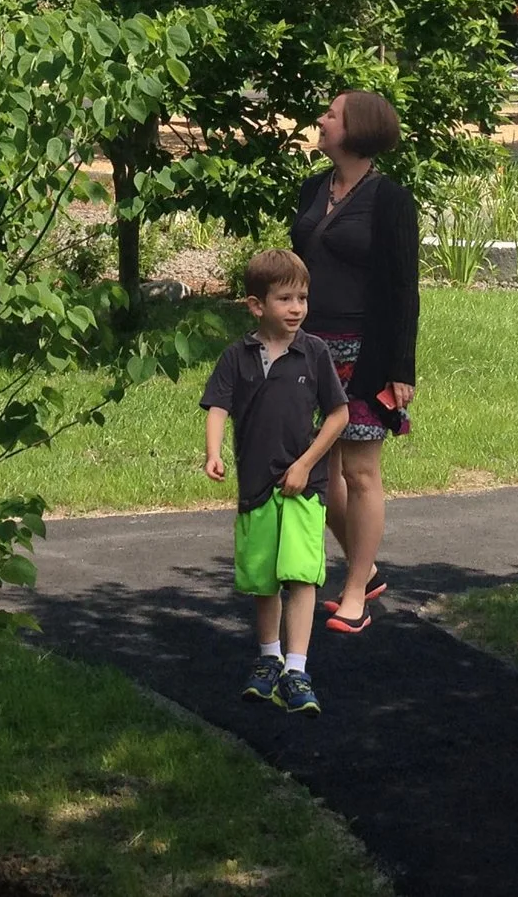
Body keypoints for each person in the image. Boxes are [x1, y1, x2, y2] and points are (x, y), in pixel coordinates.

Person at [203, 249, 351, 716]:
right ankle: (268, 659)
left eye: (302, 298)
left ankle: (297, 667)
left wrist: (307, 463)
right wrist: (213, 452)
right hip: (256, 486)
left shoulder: (315, 352)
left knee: (301, 575)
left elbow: (338, 413)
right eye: (285, 298)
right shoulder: (237, 356)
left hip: (305, 487)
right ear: (255, 305)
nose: (296, 308)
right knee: (265, 577)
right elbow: (218, 406)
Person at [293, 89, 419, 634]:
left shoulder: (390, 200)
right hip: (308, 347)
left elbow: (404, 289)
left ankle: (354, 595)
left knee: (361, 472)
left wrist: (401, 369)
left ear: (357, 129)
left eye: (331, 115)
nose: (320, 120)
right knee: (320, 472)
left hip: (362, 353)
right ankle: (364, 569)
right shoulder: (311, 188)